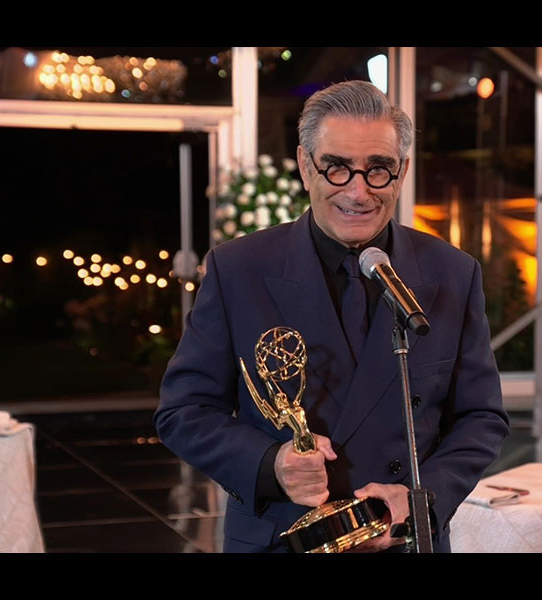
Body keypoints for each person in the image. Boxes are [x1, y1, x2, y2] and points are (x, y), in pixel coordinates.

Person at [154, 80, 510, 553]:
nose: (358, 192)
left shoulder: (453, 273)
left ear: (401, 172)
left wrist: (421, 501)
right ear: (306, 167)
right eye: (337, 168)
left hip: (401, 542)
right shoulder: (239, 268)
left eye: (377, 170)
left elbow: (481, 416)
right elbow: (184, 411)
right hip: (281, 539)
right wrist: (269, 463)